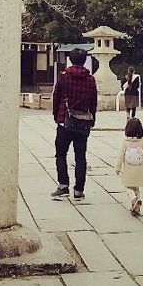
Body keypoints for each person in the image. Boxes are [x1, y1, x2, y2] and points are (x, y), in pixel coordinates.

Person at [51, 47, 97, 201]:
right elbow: (93, 102)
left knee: (61, 154)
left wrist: (56, 115)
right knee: (80, 157)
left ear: (70, 59)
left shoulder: (63, 76)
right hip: (83, 122)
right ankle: (79, 190)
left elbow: (56, 97)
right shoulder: (90, 79)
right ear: (84, 61)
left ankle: (63, 185)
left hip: (65, 120)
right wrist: (92, 120)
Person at [115, 117, 143, 215]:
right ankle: (136, 206)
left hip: (128, 170)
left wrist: (118, 167)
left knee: (128, 187)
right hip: (139, 170)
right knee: (136, 188)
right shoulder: (141, 142)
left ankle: (134, 199)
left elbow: (120, 156)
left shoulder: (125, 143)